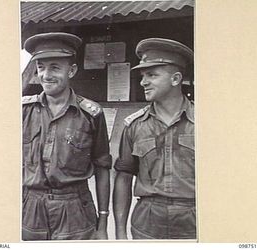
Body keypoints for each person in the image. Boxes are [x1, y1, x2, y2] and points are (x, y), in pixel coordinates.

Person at [21, 32, 111, 240]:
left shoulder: (91, 114)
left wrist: (103, 223)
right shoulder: (23, 111)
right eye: (41, 67)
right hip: (30, 210)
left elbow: (102, 167)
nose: (46, 75)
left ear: (71, 71)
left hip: (75, 211)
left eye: (55, 67)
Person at [113, 38, 195, 239]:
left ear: (175, 79)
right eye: (142, 76)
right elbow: (123, 179)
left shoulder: (206, 123)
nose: (143, 82)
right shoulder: (134, 125)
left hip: (193, 221)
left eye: (152, 75)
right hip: (147, 224)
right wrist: (121, 234)